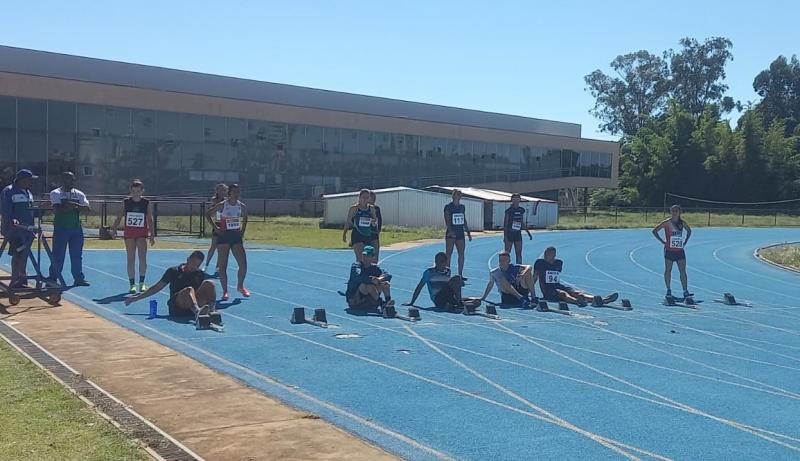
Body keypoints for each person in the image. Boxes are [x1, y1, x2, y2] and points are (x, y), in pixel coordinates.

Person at [124, 251, 221, 329]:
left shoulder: (199, 273)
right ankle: (197, 312)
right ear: (188, 259)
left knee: (210, 283)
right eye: (193, 263)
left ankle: (212, 311)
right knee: (189, 290)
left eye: (197, 265)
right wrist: (136, 298)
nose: (194, 267)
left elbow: (202, 292)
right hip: (177, 306)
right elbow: (156, 288)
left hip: (190, 306)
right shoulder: (173, 271)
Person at [534, 246, 617, 307]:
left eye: (548, 254)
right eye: (545, 253)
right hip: (548, 290)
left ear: (553, 255)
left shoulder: (558, 263)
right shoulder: (539, 263)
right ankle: (577, 301)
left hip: (558, 286)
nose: (545, 256)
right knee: (563, 294)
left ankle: (601, 299)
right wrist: (530, 293)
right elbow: (535, 277)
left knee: (576, 292)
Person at [205, 183, 249, 300]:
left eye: (238, 191)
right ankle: (225, 291)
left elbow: (245, 218)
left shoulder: (242, 206)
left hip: (236, 236)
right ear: (229, 192)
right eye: (234, 191)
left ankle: (240, 286)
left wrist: (242, 231)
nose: (236, 194)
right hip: (224, 236)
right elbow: (208, 214)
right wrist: (216, 228)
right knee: (223, 266)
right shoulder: (222, 205)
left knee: (243, 264)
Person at [48, 171, 91, 286]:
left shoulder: (79, 194)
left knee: (77, 255)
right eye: (67, 179)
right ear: (62, 180)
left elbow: (87, 208)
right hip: (61, 228)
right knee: (58, 254)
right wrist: (73, 207)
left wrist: (74, 206)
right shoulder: (55, 193)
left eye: (72, 179)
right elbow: (57, 208)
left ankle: (78, 278)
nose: (70, 181)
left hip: (76, 229)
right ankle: (53, 278)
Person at [112, 179, 155, 294]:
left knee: (142, 259)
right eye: (134, 190)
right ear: (130, 191)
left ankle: (141, 283)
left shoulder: (146, 202)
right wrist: (114, 229)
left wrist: (152, 234)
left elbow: (150, 219)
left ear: (142, 191)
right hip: (129, 234)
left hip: (142, 234)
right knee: (130, 259)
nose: (136, 193)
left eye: (138, 191)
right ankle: (132, 284)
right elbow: (119, 216)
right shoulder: (126, 202)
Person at [405, 252, 481, 311]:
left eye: (443, 261)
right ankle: (458, 304)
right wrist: (412, 302)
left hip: (448, 295)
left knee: (477, 302)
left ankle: (458, 304)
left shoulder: (448, 271)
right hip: (438, 298)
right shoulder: (429, 272)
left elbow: (452, 287)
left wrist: (459, 284)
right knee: (457, 278)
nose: (441, 263)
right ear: (435, 262)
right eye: (438, 261)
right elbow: (419, 287)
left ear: (446, 262)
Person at [1, 169, 38, 287]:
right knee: (18, 253)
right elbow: (5, 209)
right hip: (14, 230)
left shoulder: (28, 192)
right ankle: (16, 278)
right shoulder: (9, 191)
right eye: (29, 179)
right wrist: (11, 219)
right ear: (22, 180)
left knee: (24, 253)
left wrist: (40, 209)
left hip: (27, 230)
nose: (31, 182)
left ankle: (22, 277)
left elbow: (30, 211)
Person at [652, 204, 693, 300]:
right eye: (673, 211)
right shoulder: (667, 222)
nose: (674, 213)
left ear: (679, 212)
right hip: (669, 250)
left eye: (676, 211)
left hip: (679, 251)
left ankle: (685, 291)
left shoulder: (682, 223)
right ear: (671, 212)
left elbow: (689, 231)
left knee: (682, 271)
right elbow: (654, 231)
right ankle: (668, 290)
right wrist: (662, 241)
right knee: (668, 270)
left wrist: (685, 241)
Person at [345, 245, 393, 310]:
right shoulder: (356, 266)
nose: (365, 257)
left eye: (367, 256)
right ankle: (381, 304)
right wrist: (372, 280)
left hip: (369, 297)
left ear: (373, 257)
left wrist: (379, 279)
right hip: (355, 299)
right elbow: (360, 276)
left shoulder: (375, 268)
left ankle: (388, 303)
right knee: (368, 285)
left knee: (385, 283)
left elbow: (388, 275)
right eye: (364, 255)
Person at [343, 189, 378, 262]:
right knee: (360, 258)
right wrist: (344, 234)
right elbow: (348, 222)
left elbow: (375, 221)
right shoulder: (354, 209)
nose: (365, 200)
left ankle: (366, 273)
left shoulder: (371, 209)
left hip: (367, 235)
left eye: (367, 198)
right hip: (357, 234)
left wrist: (373, 222)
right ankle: (358, 272)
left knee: (368, 259)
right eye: (363, 197)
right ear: (359, 197)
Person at [444, 189, 472, 280]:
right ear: (453, 196)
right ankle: (447, 273)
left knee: (461, 254)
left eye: (460, 195)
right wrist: (451, 231)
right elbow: (447, 220)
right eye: (457, 194)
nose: (458, 196)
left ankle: (460, 274)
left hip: (460, 233)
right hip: (451, 234)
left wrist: (468, 232)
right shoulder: (448, 207)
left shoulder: (462, 207)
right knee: (449, 253)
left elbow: (464, 219)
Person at [204, 183, 228, 275]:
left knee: (221, 248)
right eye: (220, 190)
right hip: (217, 224)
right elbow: (211, 213)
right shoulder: (214, 200)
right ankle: (206, 265)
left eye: (224, 190)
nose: (222, 192)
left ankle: (218, 268)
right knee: (213, 246)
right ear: (217, 191)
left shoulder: (227, 201)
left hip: (225, 225)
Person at [503, 193, 534, 264]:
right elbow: (505, 224)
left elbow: (521, 222)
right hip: (509, 234)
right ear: (512, 200)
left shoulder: (521, 210)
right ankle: (504, 267)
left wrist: (528, 233)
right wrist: (505, 237)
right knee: (507, 253)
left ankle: (519, 268)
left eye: (518, 198)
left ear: (520, 200)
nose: (516, 200)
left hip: (517, 234)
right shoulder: (509, 211)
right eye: (514, 199)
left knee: (519, 253)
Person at [368, 191, 383, 259]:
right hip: (365, 233)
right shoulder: (362, 208)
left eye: (375, 198)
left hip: (374, 232)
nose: (374, 199)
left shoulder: (377, 208)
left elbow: (379, 219)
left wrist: (379, 229)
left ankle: (374, 263)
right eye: (372, 198)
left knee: (375, 251)